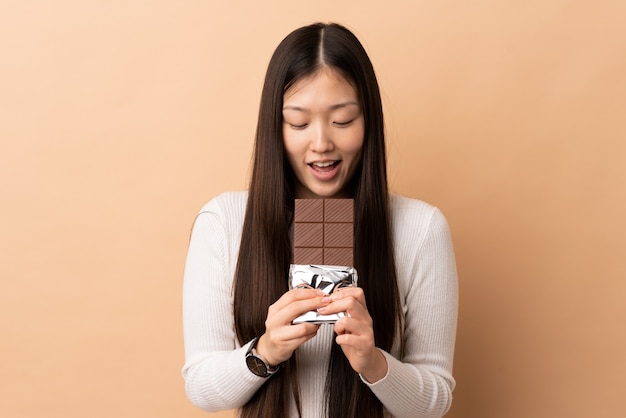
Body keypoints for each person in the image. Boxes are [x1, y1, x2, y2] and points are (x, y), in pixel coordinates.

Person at [182, 22, 458, 418]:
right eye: (298, 122)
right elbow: (202, 387)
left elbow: (436, 400)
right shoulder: (224, 222)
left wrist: (373, 363)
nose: (321, 143)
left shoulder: (421, 227)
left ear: (370, 122)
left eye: (342, 120)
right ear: (274, 127)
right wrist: (265, 352)